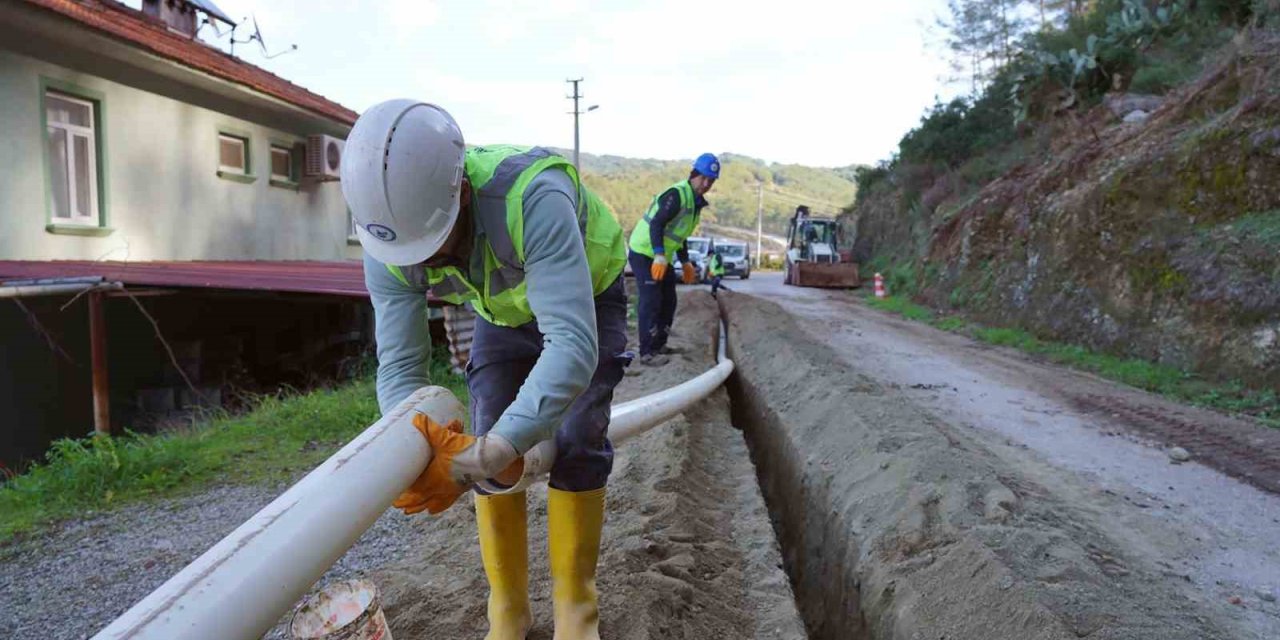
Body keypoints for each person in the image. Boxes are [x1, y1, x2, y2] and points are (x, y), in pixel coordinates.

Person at [342, 100, 629, 640]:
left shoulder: (532, 198)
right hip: (503, 307)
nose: (423, 265)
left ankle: (575, 609)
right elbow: (402, 367)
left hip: (585, 291)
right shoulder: (391, 239)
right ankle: (509, 611)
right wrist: (416, 446)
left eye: (433, 248)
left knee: (577, 431)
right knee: (493, 415)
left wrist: (495, 451)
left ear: (463, 196)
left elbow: (570, 345)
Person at [626, 153, 719, 366]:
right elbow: (656, 224)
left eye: (710, 181)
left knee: (669, 300)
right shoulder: (677, 195)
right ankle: (647, 352)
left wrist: (685, 261)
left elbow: (680, 235)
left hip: (661, 257)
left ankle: (659, 345)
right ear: (693, 174)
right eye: (703, 178)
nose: (705, 184)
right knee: (651, 300)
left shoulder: (695, 204)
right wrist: (658, 253)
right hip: (644, 252)